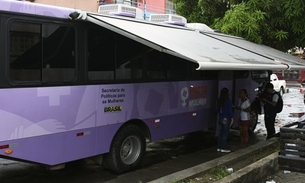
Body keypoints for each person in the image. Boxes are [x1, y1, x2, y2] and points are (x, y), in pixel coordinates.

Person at [217, 87, 234, 153]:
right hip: (226, 118)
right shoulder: (228, 101)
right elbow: (230, 111)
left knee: (221, 133)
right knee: (225, 134)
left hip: (220, 118)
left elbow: (218, 110)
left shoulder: (219, 101)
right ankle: (223, 148)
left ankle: (219, 147)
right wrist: (232, 118)